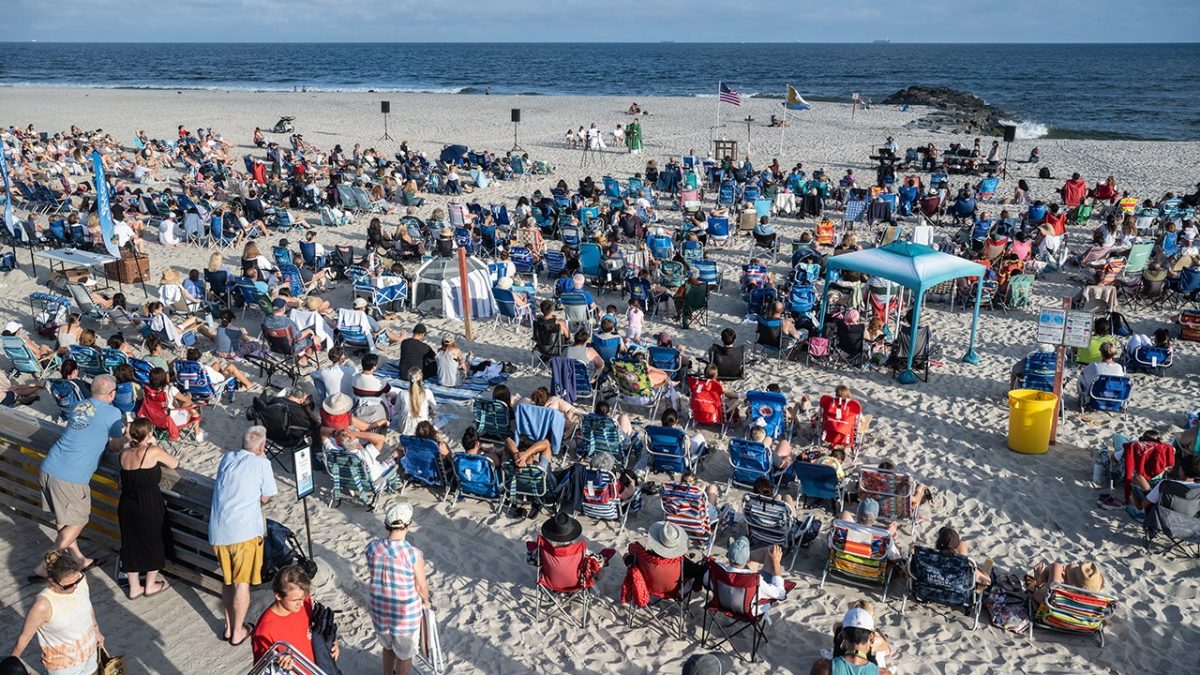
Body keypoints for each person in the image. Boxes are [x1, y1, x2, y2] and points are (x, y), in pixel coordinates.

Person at [33, 375, 126, 580]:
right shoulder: (112, 412)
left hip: (50, 466)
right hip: (71, 476)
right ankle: (45, 564)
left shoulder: (80, 404)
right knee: (79, 520)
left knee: (64, 520)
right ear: (111, 394)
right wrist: (127, 437)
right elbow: (113, 445)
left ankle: (78, 559)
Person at [209, 426, 279, 647]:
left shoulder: (228, 458)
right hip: (243, 533)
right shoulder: (262, 463)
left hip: (219, 532)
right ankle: (238, 631)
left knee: (228, 581)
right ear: (261, 447)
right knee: (241, 584)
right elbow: (266, 497)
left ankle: (230, 627)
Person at [10, 551, 103, 675]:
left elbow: (87, 606)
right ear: (53, 581)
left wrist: (96, 630)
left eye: (77, 580)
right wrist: (9, 665)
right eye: (68, 585)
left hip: (90, 653)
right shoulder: (43, 605)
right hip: (64, 667)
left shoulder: (80, 580)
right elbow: (24, 638)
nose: (75, 587)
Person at [117, 418, 179, 599]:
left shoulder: (124, 454)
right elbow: (175, 463)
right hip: (148, 503)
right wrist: (157, 444)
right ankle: (150, 585)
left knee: (130, 544)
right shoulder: (152, 452)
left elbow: (121, 482)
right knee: (155, 541)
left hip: (127, 504)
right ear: (149, 433)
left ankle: (134, 587)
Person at [366, 502, 429, 675]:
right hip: (403, 614)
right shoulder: (413, 554)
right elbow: (421, 586)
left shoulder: (372, 547)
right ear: (408, 525)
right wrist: (426, 600)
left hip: (380, 609)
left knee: (388, 647)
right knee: (404, 656)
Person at [251, 565, 340, 673]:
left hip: (321, 667)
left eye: (303, 598)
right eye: (295, 600)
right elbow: (262, 669)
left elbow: (315, 627)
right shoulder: (264, 630)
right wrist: (280, 665)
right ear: (278, 595)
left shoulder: (303, 600)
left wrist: (333, 642)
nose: (301, 604)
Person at [703, 536, 787, 616]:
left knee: (761, 557)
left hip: (721, 604)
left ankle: (736, 554)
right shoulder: (756, 580)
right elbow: (781, 594)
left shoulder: (715, 571)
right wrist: (776, 562)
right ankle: (744, 555)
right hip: (748, 611)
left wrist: (726, 567)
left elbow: (705, 582)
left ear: (728, 556)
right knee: (770, 552)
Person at [1027, 560, 1104, 604]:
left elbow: (1036, 595)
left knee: (1056, 567)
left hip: (1056, 609)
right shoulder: (1095, 604)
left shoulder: (1057, 596)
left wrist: (1032, 584)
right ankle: (1042, 578)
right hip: (1081, 622)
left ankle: (1040, 578)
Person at [393, 368, 438, 436]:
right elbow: (435, 409)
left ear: (409, 378)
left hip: (405, 426)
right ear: (421, 377)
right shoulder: (427, 392)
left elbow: (396, 410)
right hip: (422, 426)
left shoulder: (402, 393)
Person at [1079, 341, 1124, 406]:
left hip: (1096, 397)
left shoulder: (1095, 365)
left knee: (1081, 378)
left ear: (1101, 353)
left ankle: (1082, 400)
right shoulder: (1119, 367)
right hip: (1114, 397)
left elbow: (1083, 374)